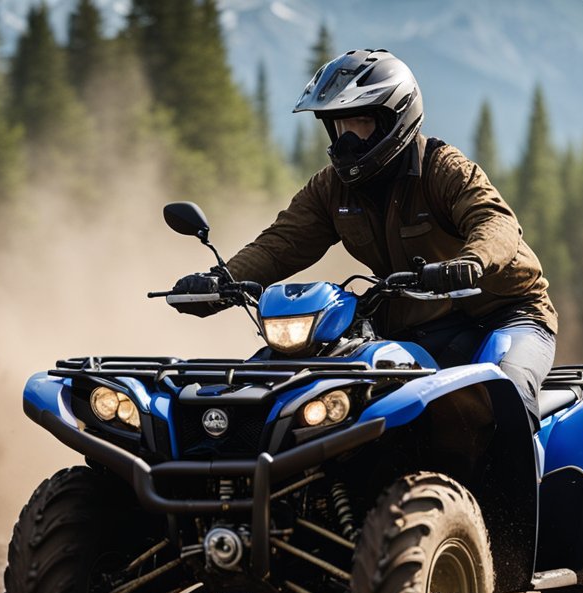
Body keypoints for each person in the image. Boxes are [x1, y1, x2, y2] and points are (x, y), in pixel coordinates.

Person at [170, 49, 557, 424]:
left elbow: (496, 222)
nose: (346, 142)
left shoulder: (443, 169)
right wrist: (220, 281)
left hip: (506, 316)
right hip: (411, 322)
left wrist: (470, 262)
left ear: (395, 120)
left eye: (360, 125)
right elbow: (279, 244)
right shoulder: (330, 187)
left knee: (504, 390)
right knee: (298, 380)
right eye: (339, 127)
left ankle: (513, 491)